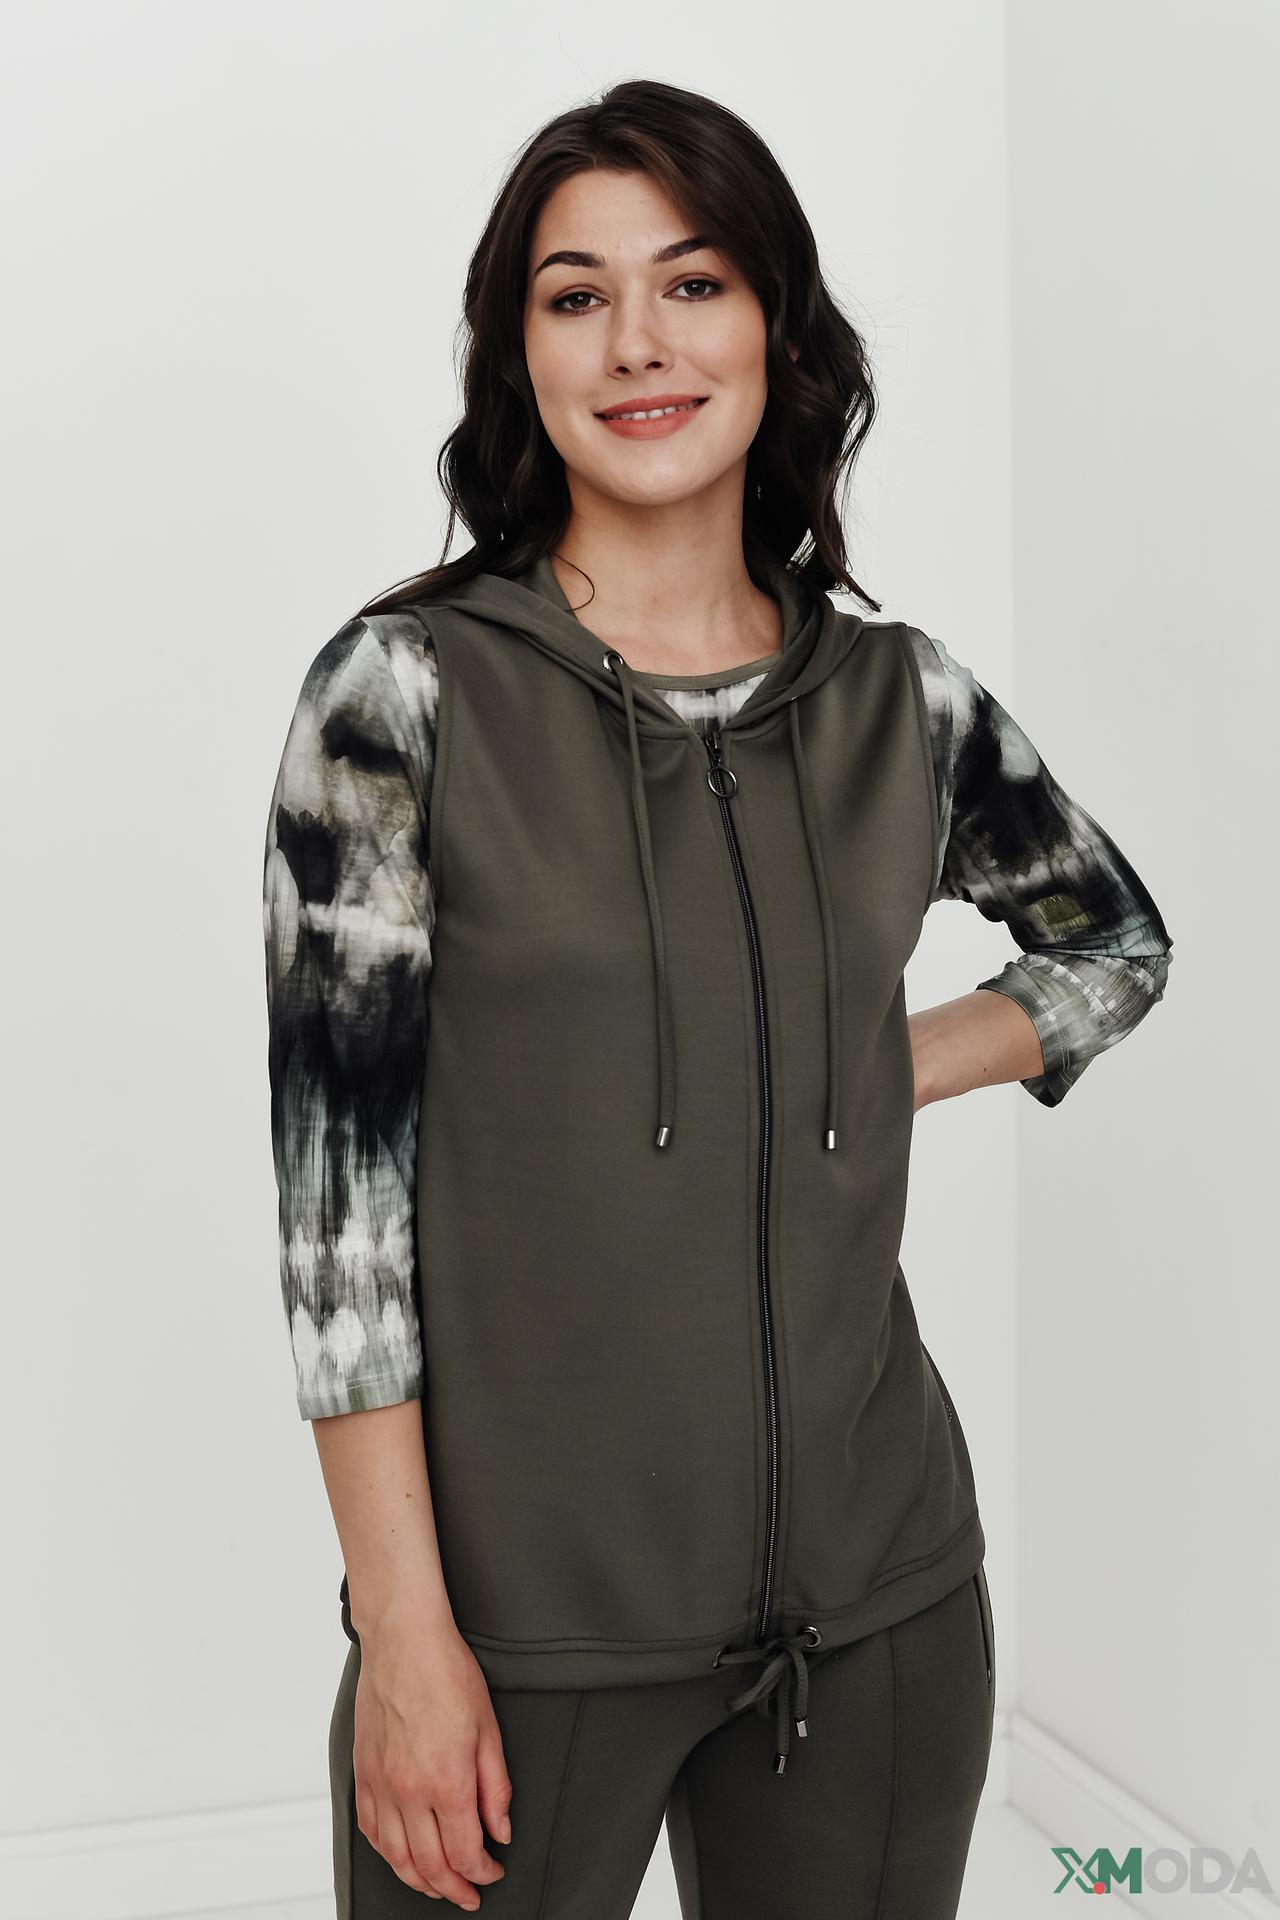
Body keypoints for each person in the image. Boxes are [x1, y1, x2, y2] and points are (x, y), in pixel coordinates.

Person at [262, 78, 1173, 1920]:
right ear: (518, 354)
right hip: (520, 1639)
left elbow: (1113, 946)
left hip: (880, 1611)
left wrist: (878, 1061)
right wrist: (405, 1636)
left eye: (693, 283)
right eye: (575, 296)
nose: (639, 343)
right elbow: (341, 1227)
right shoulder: (406, 695)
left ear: (778, 328)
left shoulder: (900, 702)